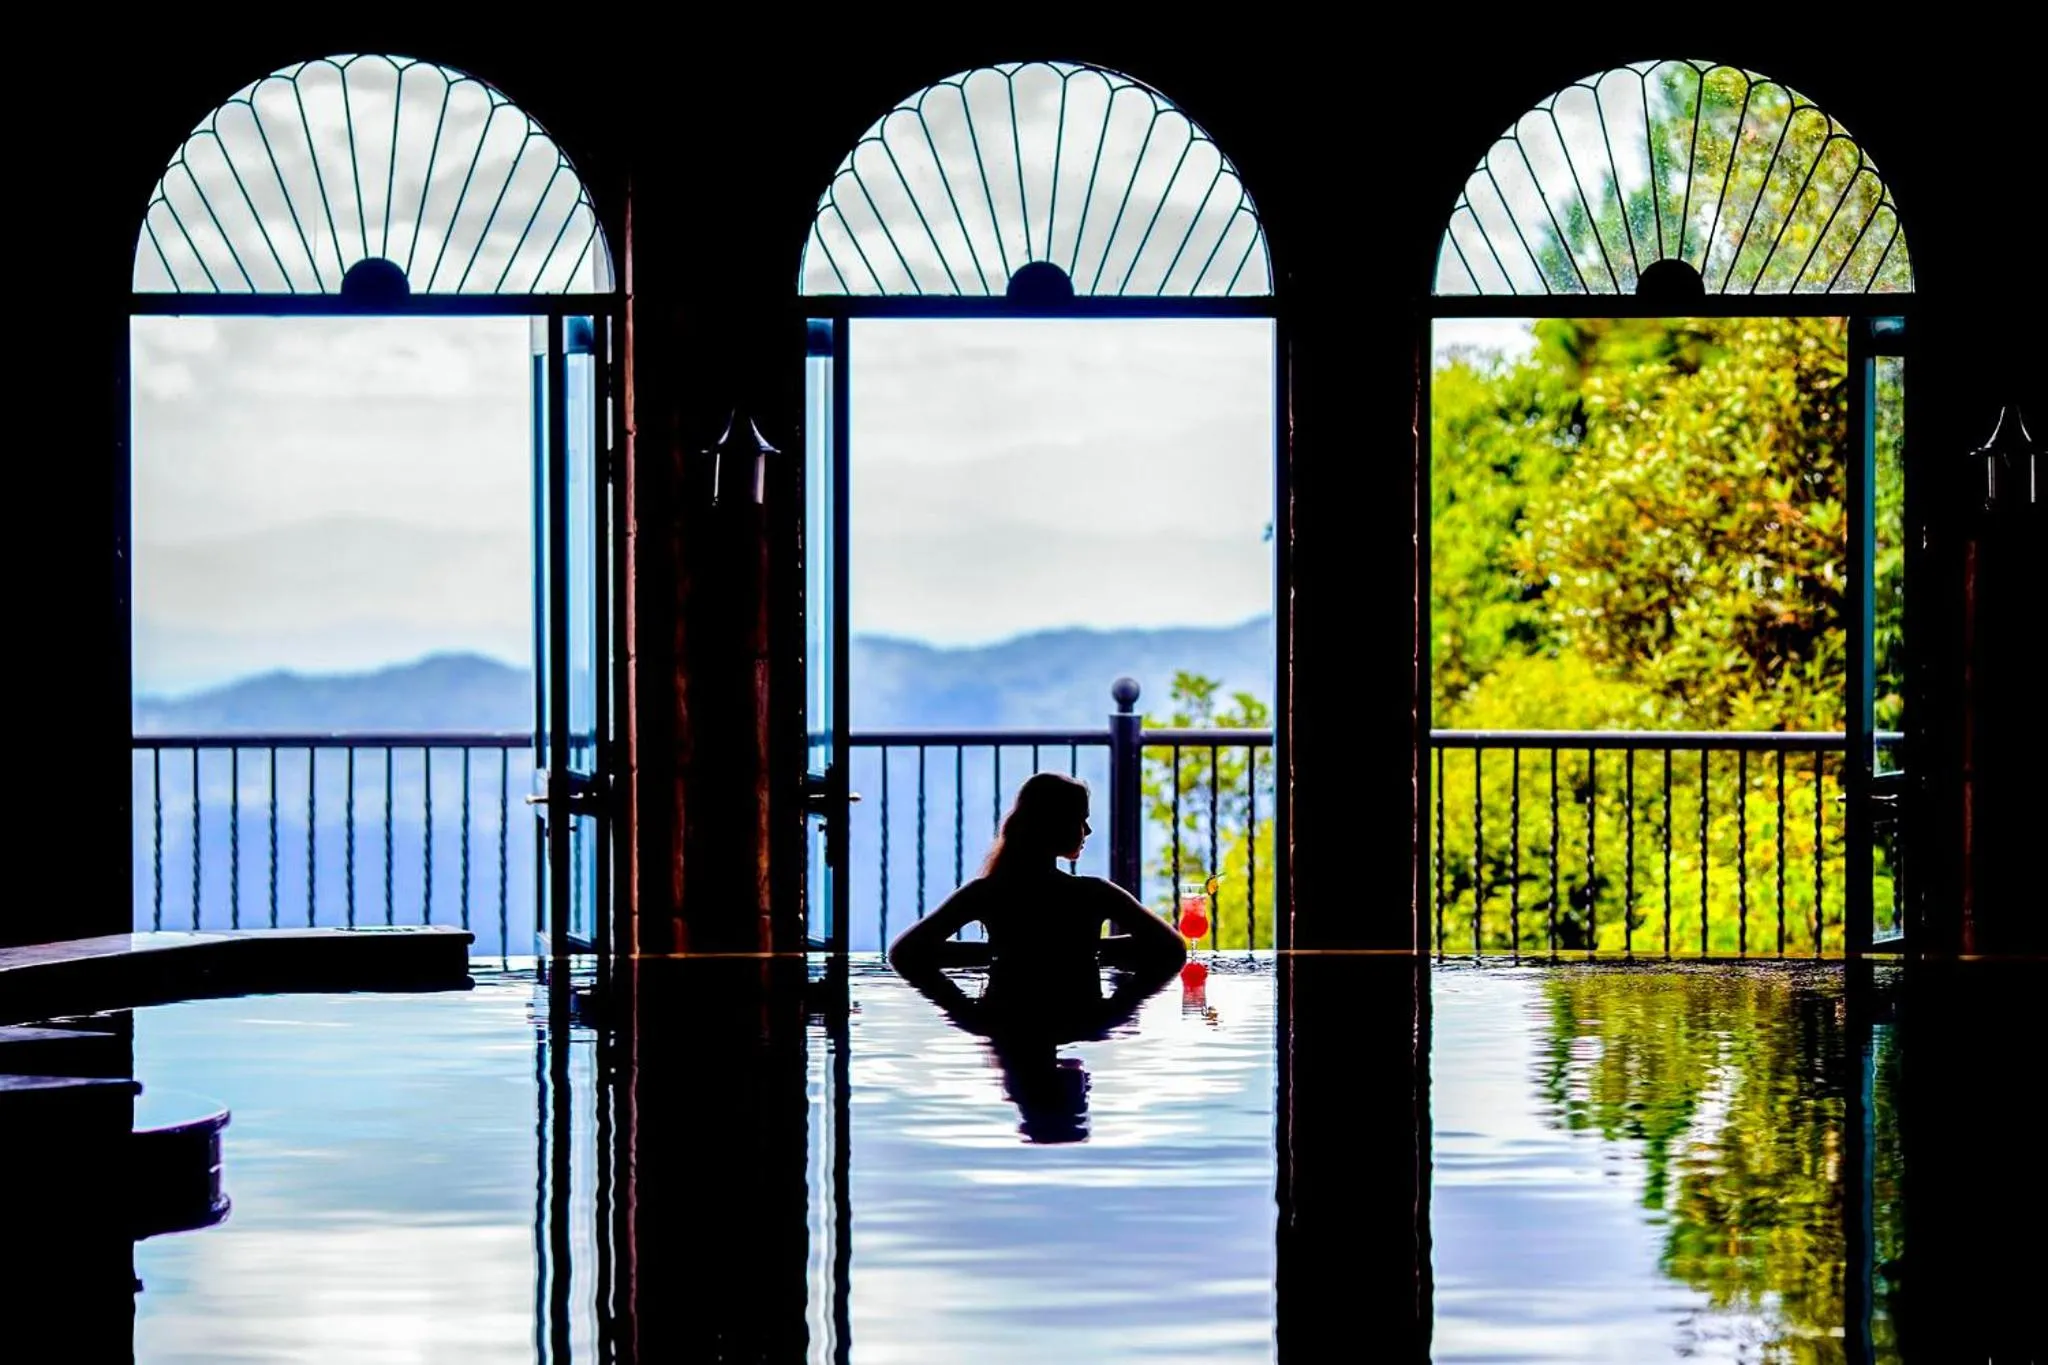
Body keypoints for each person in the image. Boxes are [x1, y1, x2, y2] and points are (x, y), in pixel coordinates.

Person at [885, 771, 1187, 982]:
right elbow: (1172, 948)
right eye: (1081, 819)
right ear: (1055, 825)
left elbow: (903, 952)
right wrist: (1109, 1004)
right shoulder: (1095, 894)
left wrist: (993, 963)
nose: (1088, 831)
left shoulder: (987, 893)